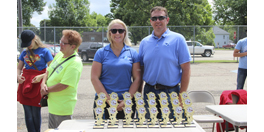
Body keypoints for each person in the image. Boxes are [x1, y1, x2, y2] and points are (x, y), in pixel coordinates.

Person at [139, 6, 192, 119]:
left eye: (161, 17)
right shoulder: (144, 42)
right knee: (150, 126)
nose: (157, 21)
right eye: (154, 18)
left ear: (167, 20)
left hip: (171, 92)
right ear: (150, 21)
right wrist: (139, 94)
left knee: (172, 126)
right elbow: (141, 70)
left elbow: (186, 69)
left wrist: (181, 95)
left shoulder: (178, 39)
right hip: (149, 92)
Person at [91, 19, 141, 119]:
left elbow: (137, 78)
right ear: (109, 33)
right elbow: (94, 78)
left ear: (125, 33)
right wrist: (109, 100)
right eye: (114, 31)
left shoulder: (132, 53)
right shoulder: (101, 53)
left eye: (120, 30)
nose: (117, 33)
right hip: (104, 102)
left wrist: (127, 100)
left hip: (126, 102)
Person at [40, 30, 83, 128]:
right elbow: (48, 70)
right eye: (61, 41)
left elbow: (64, 85)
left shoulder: (75, 63)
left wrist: (46, 90)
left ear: (73, 46)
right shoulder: (60, 54)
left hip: (63, 108)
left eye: (64, 43)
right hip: (53, 106)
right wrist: (43, 84)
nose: (60, 44)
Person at [17, 30, 53, 132]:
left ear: (34, 39)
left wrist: (41, 77)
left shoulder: (45, 51)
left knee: (35, 114)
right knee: (28, 114)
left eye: (29, 43)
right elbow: (18, 68)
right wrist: (18, 76)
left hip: (38, 85)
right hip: (25, 84)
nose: (28, 46)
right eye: (25, 45)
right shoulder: (24, 52)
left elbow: (52, 69)